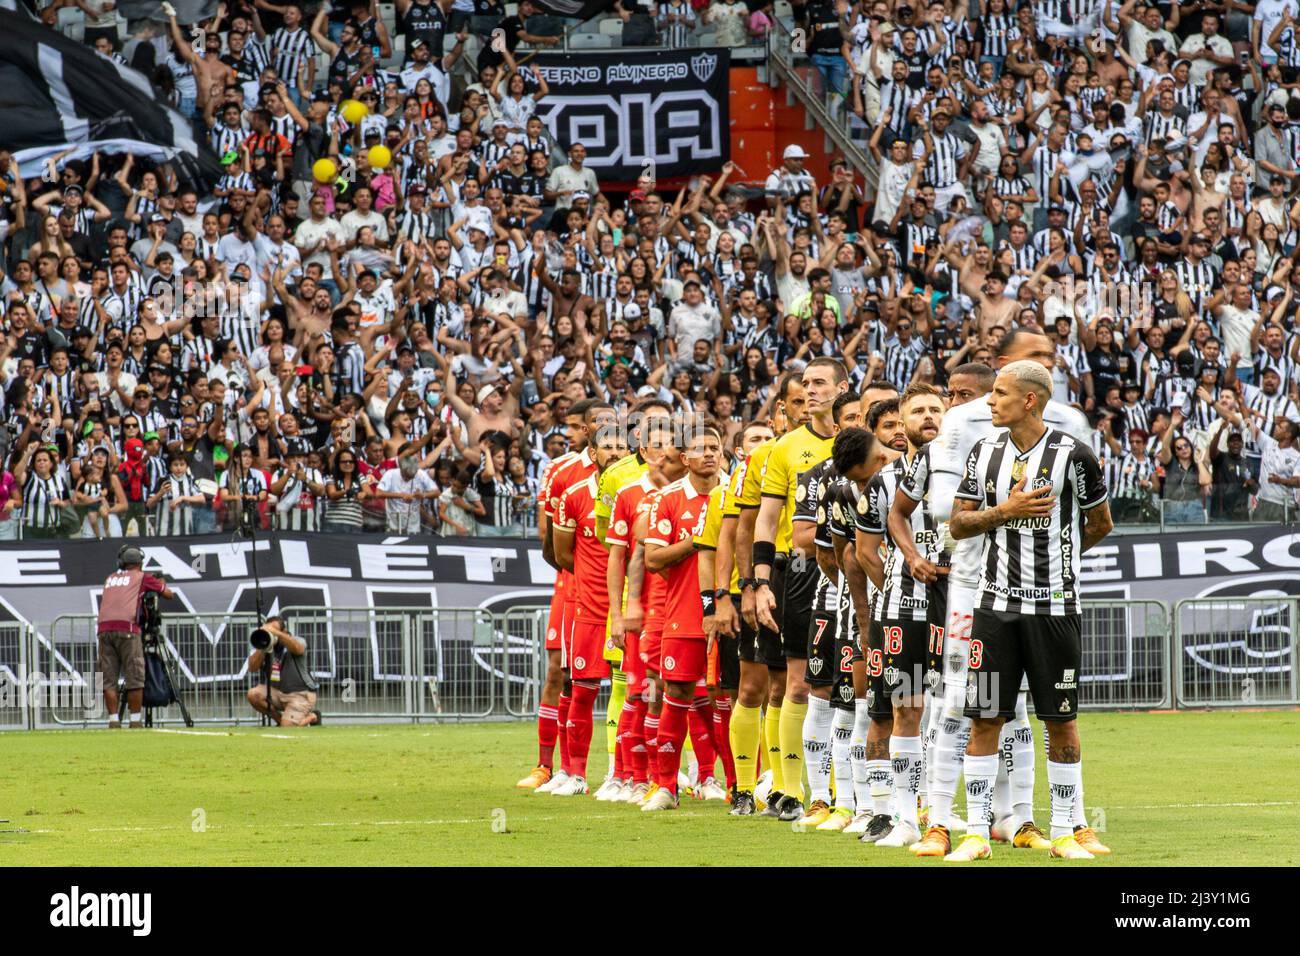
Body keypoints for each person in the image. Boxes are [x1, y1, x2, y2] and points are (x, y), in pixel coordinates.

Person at [947, 360, 1114, 861]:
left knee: (1060, 720)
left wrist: (1059, 560)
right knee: (985, 718)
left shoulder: (1074, 456)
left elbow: (1100, 522)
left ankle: (1065, 831)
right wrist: (1004, 513)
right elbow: (957, 524)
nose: (989, 402)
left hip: (1055, 610)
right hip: (994, 611)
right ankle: (976, 832)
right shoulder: (983, 451)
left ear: (1030, 401)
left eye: (999, 393)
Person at [640, 425, 725, 811]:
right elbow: (653, 560)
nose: (709, 453)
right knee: (677, 695)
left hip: (731, 610)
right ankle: (665, 786)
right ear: (685, 458)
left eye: (715, 446)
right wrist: (700, 539)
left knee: (739, 696)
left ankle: (743, 786)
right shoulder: (668, 499)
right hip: (684, 613)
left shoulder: (738, 493)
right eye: (699, 448)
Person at [97, 545, 175, 729]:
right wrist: (160, 581)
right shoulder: (142, 577)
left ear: (122, 563)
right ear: (140, 563)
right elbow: (168, 594)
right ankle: (135, 720)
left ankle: (113, 721)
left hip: (104, 630)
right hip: (128, 628)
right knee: (135, 676)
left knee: (109, 679)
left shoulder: (110, 578)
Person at [246, 617, 321, 727]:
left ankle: (313, 717)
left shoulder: (297, 640)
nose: (271, 632)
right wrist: (263, 646)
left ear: (284, 631)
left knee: (288, 727)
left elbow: (298, 649)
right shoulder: (267, 646)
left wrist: (277, 634)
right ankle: (279, 720)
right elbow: (252, 668)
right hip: (277, 693)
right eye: (268, 630)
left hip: (300, 694)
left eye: (274, 629)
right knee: (253, 694)